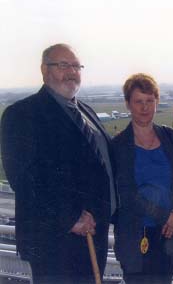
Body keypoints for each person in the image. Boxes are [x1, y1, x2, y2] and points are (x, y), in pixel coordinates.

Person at [0, 43, 116, 284]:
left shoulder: (86, 111)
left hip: (94, 237)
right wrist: (70, 217)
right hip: (56, 241)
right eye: (63, 65)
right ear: (44, 70)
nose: (71, 72)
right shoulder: (23, 114)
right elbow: (24, 178)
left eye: (76, 66)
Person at [112, 73, 173, 284]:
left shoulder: (170, 137)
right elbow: (126, 194)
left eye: (149, 101)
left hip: (169, 233)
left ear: (156, 102)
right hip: (135, 234)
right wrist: (166, 216)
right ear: (128, 104)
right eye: (138, 101)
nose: (144, 107)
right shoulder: (118, 145)